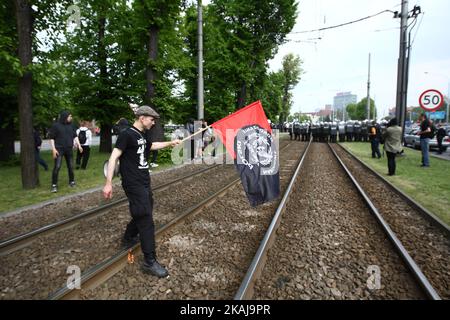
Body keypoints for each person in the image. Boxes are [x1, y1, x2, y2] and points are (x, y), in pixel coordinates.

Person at [103, 105, 181, 278]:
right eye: (152, 119)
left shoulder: (142, 135)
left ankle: (129, 237)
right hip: (133, 183)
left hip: (144, 181)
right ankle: (149, 261)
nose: (153, 123)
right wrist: (108, 183)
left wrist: (171, 143)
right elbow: (113, 157)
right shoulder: (126, 135)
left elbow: (151, 146)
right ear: (142, 117)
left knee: (144, 210)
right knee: (146, 218)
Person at [49, 111, 83, 192]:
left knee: (71, 166)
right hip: (59, 149)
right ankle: (54, 185)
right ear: (65, 117)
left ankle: (72, 181)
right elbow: (52, 138)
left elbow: (75, 136)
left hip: (69, 149)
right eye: (70, 116)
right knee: (57, 167)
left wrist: (79, 145)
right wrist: (53, 149)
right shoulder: (56, 126)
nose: (71, 118)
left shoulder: (71, 126)